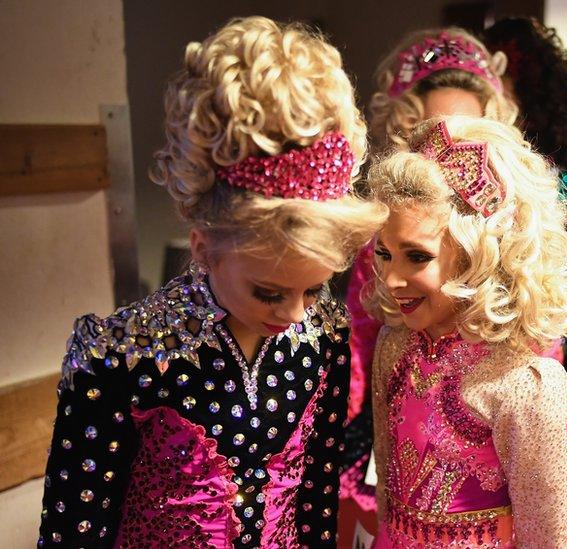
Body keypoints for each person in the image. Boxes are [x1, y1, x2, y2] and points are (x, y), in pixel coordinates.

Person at [37, 17, 387, 548]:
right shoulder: (122, 354)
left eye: (315, 288)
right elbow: (73, 535)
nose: (295, 313)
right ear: (203, 246)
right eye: (269, 291)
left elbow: (315, 505)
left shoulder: (325, 339)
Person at [368, 116, 567, 548]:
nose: (391, 279)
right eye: (385, 254)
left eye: (417, 257)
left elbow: (546, 538)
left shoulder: (524, 384)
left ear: (477, 256)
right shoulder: (394, 347)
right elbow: (386, 496)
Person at [340, 27, 516, 532]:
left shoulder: (510, 231)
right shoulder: (385, 230)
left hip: (488, 439)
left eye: (468, 129)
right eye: (438, 126)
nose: (450, 144)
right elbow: (365, 331)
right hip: (398, 418)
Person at [484, 17, 567, 547]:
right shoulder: (480, 172)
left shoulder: (556, 182)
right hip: (487, 362)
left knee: (558, 504)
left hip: (546, 358)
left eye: (498, 90)